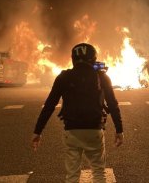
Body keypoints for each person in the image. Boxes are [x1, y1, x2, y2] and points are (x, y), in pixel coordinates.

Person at [31, 43, 124, 183]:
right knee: (99, 173)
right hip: (95, 129)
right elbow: (113, 104)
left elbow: (49, 105)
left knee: (72, 176)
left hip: (72, 130)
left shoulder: (63, 77)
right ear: (93, 59)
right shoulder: (102, 77)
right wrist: (119, 130)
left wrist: (38, 131)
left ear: (73, 59)